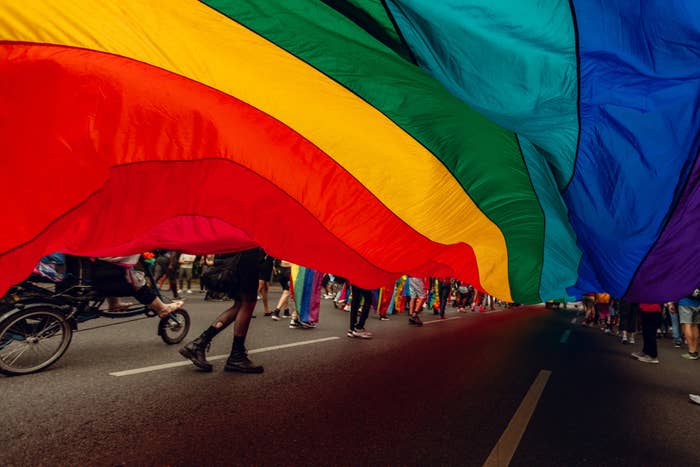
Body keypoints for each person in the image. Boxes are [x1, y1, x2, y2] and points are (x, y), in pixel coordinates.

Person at [178, 248, 265, 373]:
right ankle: (236, 356)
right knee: (247, 303)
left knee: (240, 305)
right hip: (245, 257)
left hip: (234, 260)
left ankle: (198, 344)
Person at [92, 255, 183, 317]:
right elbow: (136, 283)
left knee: (109, 275)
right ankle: (162, 308)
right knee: (137, 284)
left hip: (96, 281)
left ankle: (114, 303)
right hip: (118, 284)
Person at [678, 293, 700, 360]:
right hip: (698, 303)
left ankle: (691, 352)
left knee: (687, 325)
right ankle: (695, 351)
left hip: (685, 302)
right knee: (695, 326)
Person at [258, 251, 274, 316]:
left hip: (267, 264)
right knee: (261, 286)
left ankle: (266, 310)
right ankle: (247, 309)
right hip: (264, 265)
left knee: (264, 289)